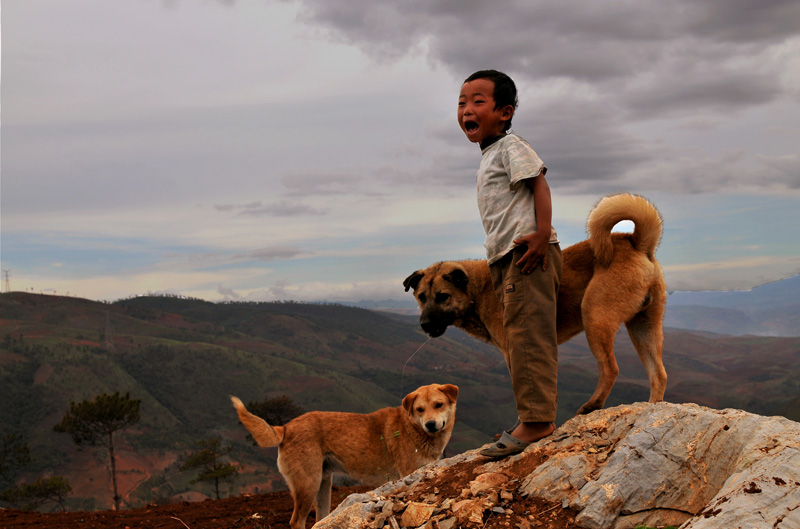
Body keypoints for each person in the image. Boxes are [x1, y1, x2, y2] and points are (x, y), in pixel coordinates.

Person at [457, 70, 562, 457]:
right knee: (519, 333)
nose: (467, 108)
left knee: (526, 336)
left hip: (526, 253)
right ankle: (534, 418)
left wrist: (541, 233)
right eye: (462, 102)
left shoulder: (511, 147)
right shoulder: (490, 155)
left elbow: (539, 184)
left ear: (505, 112)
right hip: (506, 258)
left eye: (477, 101)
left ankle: (537, 423)